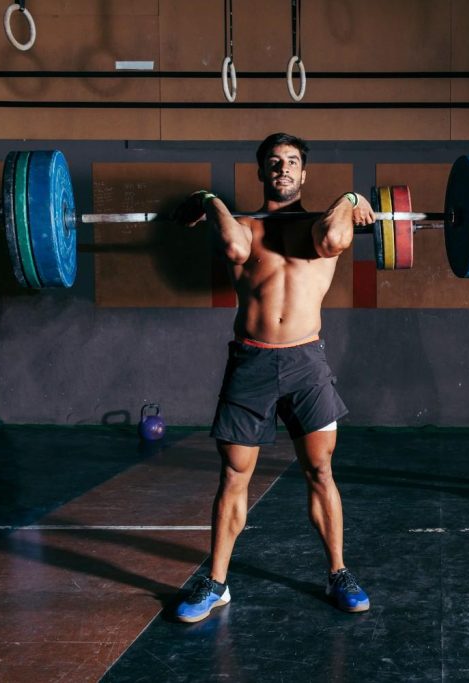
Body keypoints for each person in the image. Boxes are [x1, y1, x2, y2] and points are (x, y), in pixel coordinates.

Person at [171, 132, 374, 622]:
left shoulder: (323, 225)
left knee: (321, 471)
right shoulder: (241, 226)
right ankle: (216, 582)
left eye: (292, 162)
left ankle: (338, 572)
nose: (282, 168)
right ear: (261, 173)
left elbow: (334, 240)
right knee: (234, 475)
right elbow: (232, 248)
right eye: (274, 162)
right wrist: (208, 198)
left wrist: (350, 197)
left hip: (307, 363)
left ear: (304, 174)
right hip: (253, 363)